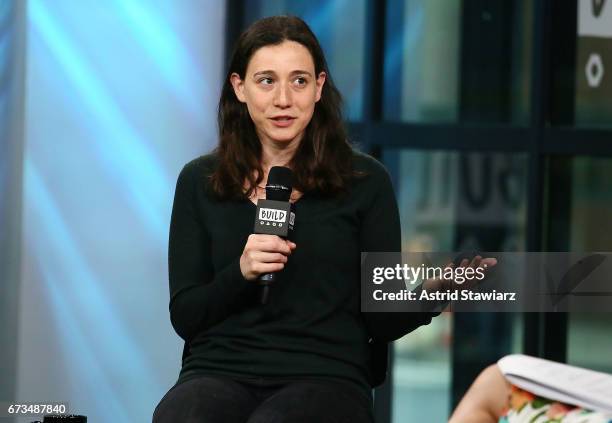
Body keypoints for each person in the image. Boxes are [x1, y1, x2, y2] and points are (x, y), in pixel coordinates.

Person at [152, 15, 443, 423]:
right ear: (240, 88)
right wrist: (241, 272)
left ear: (319, 87)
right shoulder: (200, 181)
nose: (284, 99)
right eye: (267, 80)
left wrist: (434, 294)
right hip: (220, 369)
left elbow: (382, 317)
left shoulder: (365, 182)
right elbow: (187, 315)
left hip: (327, 374)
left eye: (300, 81)